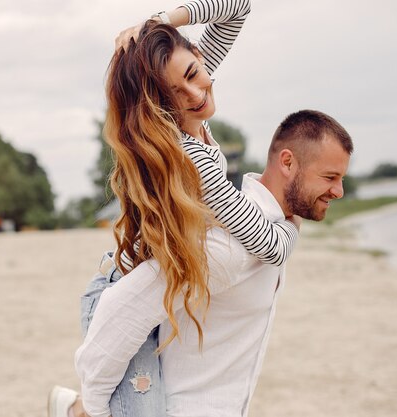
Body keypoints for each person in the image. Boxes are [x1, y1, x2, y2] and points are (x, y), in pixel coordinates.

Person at [50, 0, 305, 415]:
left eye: (193, 73)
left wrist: (158, 21)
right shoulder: (191, 156)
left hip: (152, 291)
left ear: (201, 59)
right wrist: (294, 218)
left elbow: (238, 7)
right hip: (124, 294)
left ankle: (69, 408)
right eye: (175, 93)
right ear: (160, 105)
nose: (195, 93)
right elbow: (270, 245)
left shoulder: (193, 103)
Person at [68, 109, 354, 417]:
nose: (338, 191)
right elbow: (122, 310)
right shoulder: (229, 248)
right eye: (330, 177)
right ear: (287, 162)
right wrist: (94, 408)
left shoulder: (273, 229)